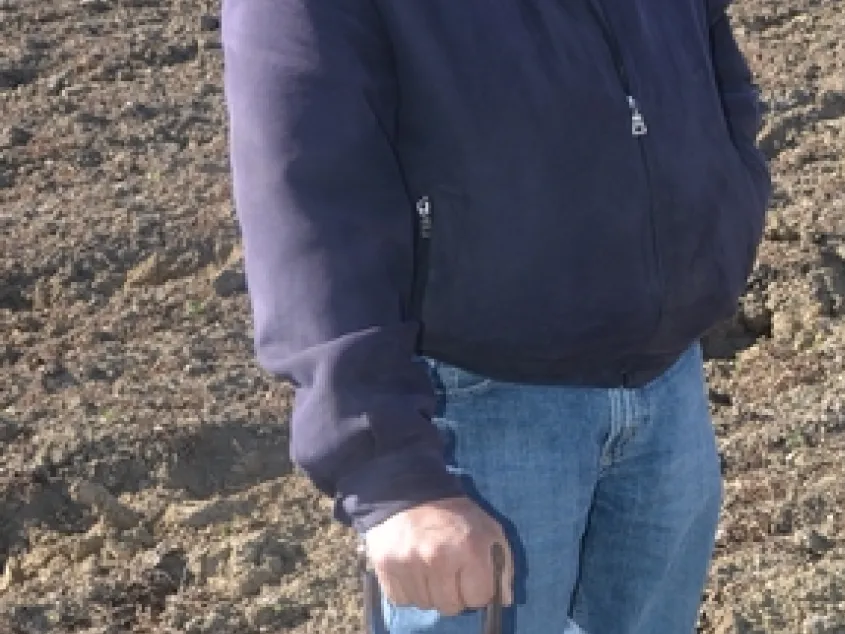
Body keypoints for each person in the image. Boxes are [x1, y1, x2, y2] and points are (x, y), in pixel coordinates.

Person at [219, 0, 771, 630]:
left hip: (668, 388)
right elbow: (307, 199)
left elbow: (708, 44)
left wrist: (730, 185)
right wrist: (389, 470)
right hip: (474, 414)